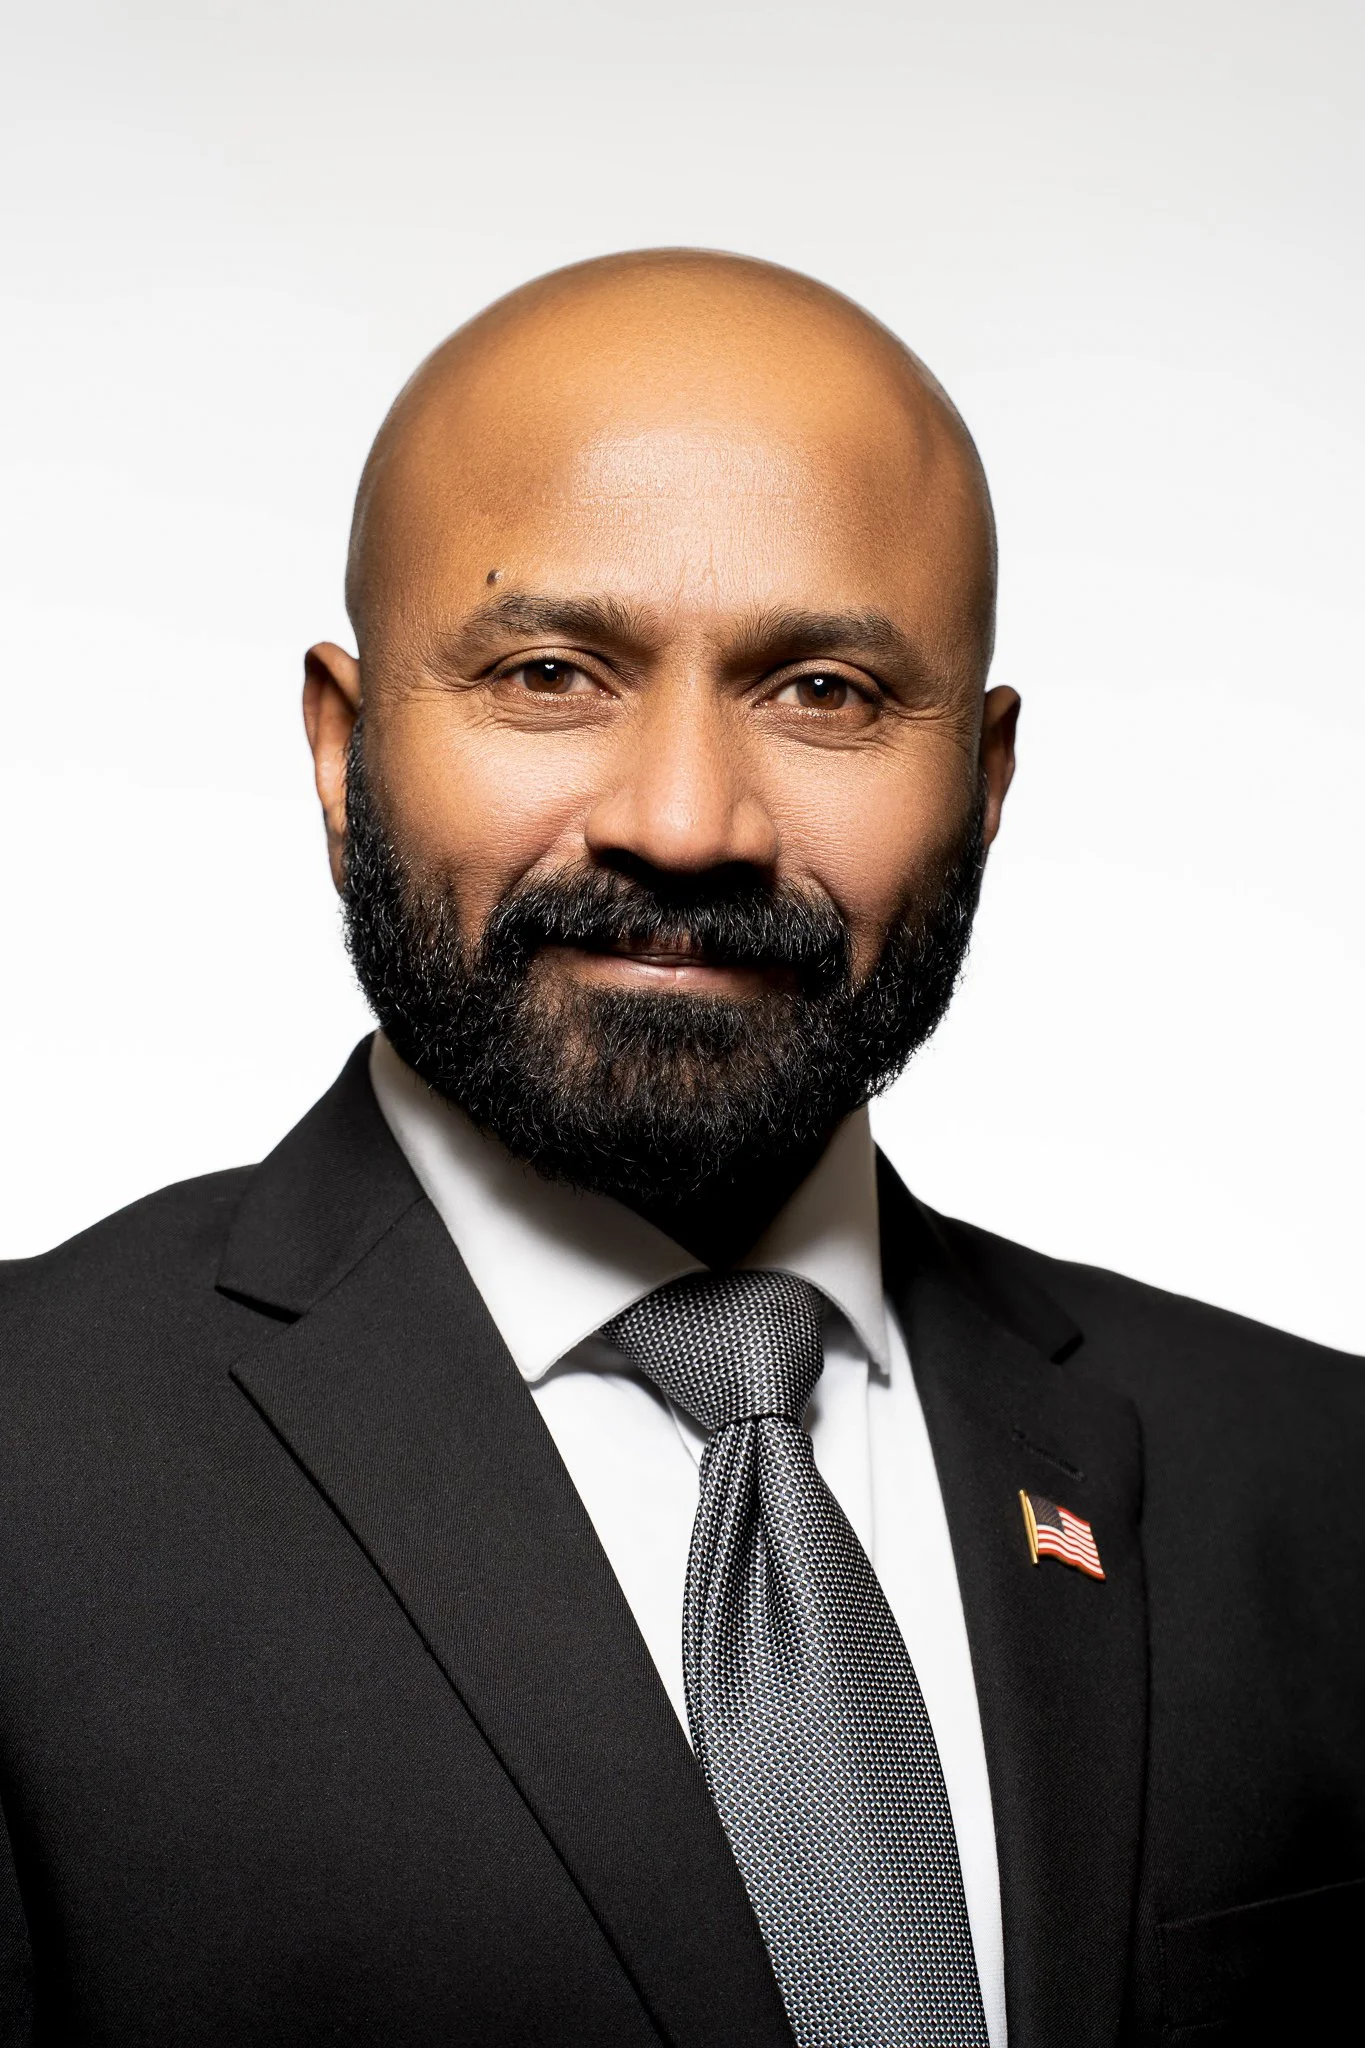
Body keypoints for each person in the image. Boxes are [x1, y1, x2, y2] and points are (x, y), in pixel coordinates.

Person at [1, 249, 1361, 2048]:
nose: (683, 822)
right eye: (553, 671)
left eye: (826, 694)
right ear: (343, 756)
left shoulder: (1320, 1484)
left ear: (988, 781)